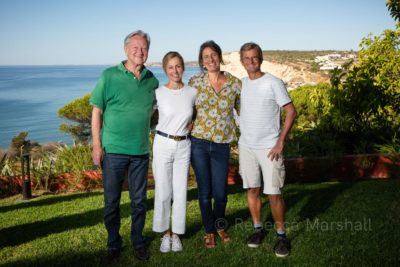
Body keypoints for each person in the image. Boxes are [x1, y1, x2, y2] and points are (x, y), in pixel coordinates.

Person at [90, 30, 159, 262]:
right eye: (136, 48)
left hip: (140, 151)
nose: (140, 52)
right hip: (114, 151)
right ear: (126, 50)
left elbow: (159, 110)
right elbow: (96, 111)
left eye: (144, 48)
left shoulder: (152, 80)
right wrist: (96, 146)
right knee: (111, 202)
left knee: (139, 202)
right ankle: (113, 243)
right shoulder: (109, 76)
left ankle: (138, 242)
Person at [238, 42, 297, 257]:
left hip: (270, 147)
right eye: (246, 58)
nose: (251, 62)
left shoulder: (273, 82)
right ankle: (257, 230)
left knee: (273, 194)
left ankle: (281, 236)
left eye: (254, 57)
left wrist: (281, 142)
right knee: (252, 190)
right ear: (241, 61)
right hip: (246, 147)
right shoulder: (241, 84)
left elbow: (291, 111)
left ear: (260, 59)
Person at [189, 40, 241, 248]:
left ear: (220, 57)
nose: (210, 59)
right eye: (205, 57)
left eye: (213, 55)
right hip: (199, 143)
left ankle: (220, 225)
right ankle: (209, 230)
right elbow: (186, 109)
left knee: (220, 192)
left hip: (222, 145)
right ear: (202, 62)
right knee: (204, 192)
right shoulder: (194, 83)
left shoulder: (235, 84)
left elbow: (243, 112)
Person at [152, 51, 197, 253]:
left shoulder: (192, 92)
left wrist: (194, 122)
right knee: (163, 190)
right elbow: (146, 115)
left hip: (184, 145)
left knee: (180, 192)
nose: (175, 70)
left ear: (183, 67)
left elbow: (195, 113)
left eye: (178, 66)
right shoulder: (158, 93)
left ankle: (177, 234)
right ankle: (164, 234)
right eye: (170, 67)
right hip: (162, 143)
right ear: (165, 70)